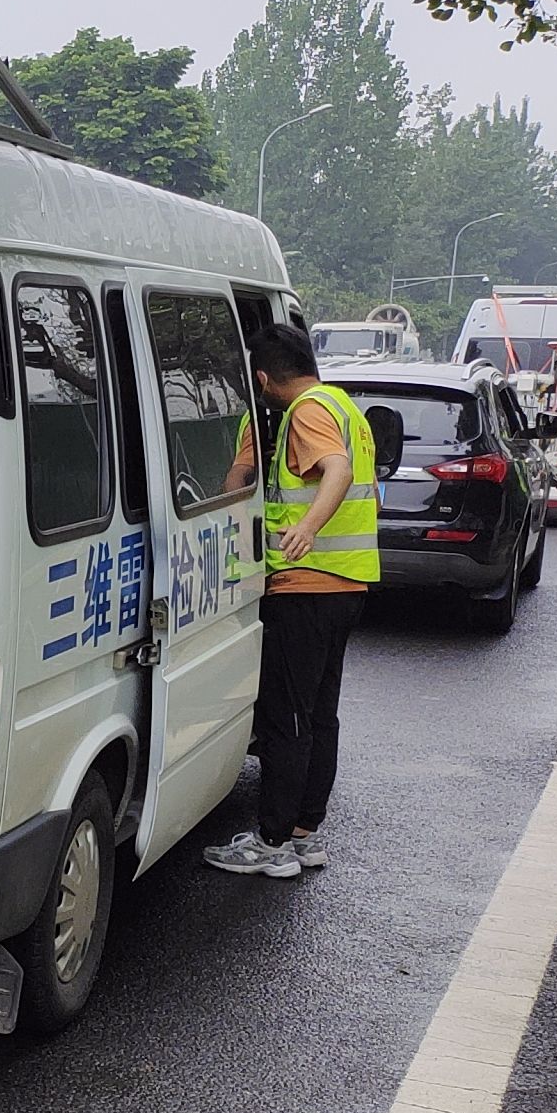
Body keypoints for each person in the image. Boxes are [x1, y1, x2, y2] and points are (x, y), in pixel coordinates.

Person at [204, 321, 378, 879]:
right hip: (347, 584)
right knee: (320, 714)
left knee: (287, 718)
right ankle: (305, 834)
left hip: (306, 585)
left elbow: (337, 470)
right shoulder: (344, 407)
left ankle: (273, 842)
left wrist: (305, 527)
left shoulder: (305, 412)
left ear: (261, 378)